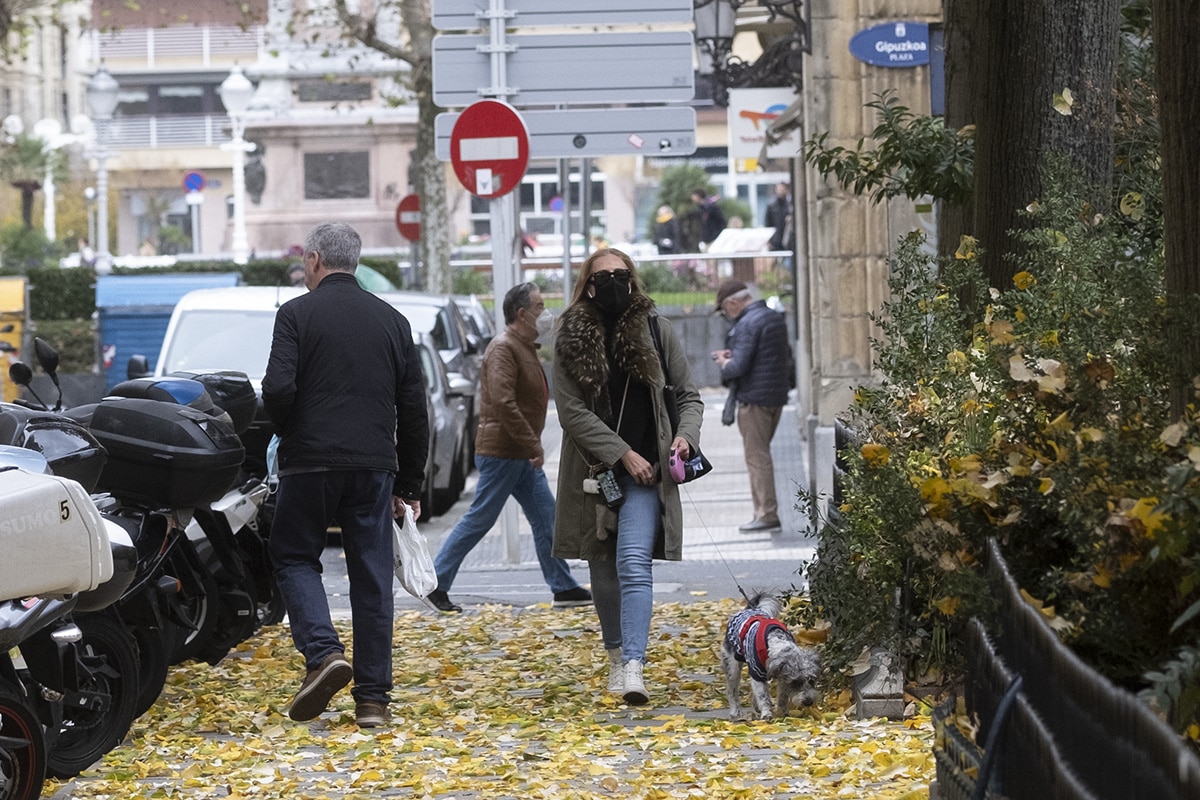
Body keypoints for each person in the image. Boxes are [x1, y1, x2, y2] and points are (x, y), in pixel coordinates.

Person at [262, 222, 429, 729]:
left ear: (313, 260)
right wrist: (410, 484)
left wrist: (289, 430)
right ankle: (373, 700)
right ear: (353, 261)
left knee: (292, 554)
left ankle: (323, 653)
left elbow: (277, 388)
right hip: (373, 466)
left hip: (309, 462)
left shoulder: (294, 315)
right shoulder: (393, 322)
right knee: (372, 575)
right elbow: (414, 409)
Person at [552, 248, 703, 705]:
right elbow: (570, 411)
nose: (615, 282)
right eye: (604, 276)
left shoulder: (658, 329)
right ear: (589, 285)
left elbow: (690, 397)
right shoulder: (570, 334)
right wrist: (621, 453)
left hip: (648, 475)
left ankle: (634, 664)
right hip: (595, 473)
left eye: (622, 274)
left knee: (632, 562)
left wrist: (684, 437)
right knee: (603, 567)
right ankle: (616, 654)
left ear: (633, 279)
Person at [425, 283, 592, 614]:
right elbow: (503, 402)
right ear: (522, 313)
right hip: (503, 453)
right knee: (479, 520)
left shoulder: (522, 345)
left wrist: (529, 447)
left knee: (548, 518)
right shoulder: (504, 348)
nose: (546, 314)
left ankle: (562, 586)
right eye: (540, 307)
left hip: (518, 454)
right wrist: (533, 445)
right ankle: (435, 583)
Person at [711, 280, 792, 533]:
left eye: (725, 310)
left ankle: (766, 514)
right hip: (775, 396)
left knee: (757, 458)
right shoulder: (772, 317)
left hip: (754, 400)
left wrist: (725, 361)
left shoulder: (747, 323)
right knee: (761, 455)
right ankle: (764, 512)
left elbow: (738, 367)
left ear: (732, 302)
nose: (726, 315)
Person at [765, 182, 794, 253]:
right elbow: (767, 223)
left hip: (788, 240)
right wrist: (769, 240)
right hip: (775, 240)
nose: (780, 192)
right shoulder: (771, 206)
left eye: (782, 189)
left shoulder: (790, 205)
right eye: (778, 189)